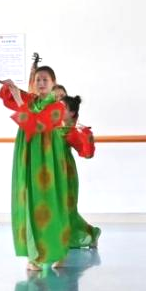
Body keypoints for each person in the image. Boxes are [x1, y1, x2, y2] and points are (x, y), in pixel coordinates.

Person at [0, 64, 70, 269]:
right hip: (29, 154)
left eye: (45, 80)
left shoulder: (58, 106)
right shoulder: (32, 100)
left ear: (53, 83)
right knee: (29, 199)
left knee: (50, 201)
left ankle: (58, 251)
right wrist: (11, 88)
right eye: (38, 79)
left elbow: (36, 124)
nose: (40, 83)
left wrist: (19, 99)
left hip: (48, 158)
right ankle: (34, 254)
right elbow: (9, 98)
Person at [60, 95, 100, 250]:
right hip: (52, 173)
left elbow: (87, 154)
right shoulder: (52, 127)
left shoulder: (72, 132)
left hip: (66, 174)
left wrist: (87, 136)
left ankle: (90, 234)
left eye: (63, 108)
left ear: (72, 113)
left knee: (68, 211)